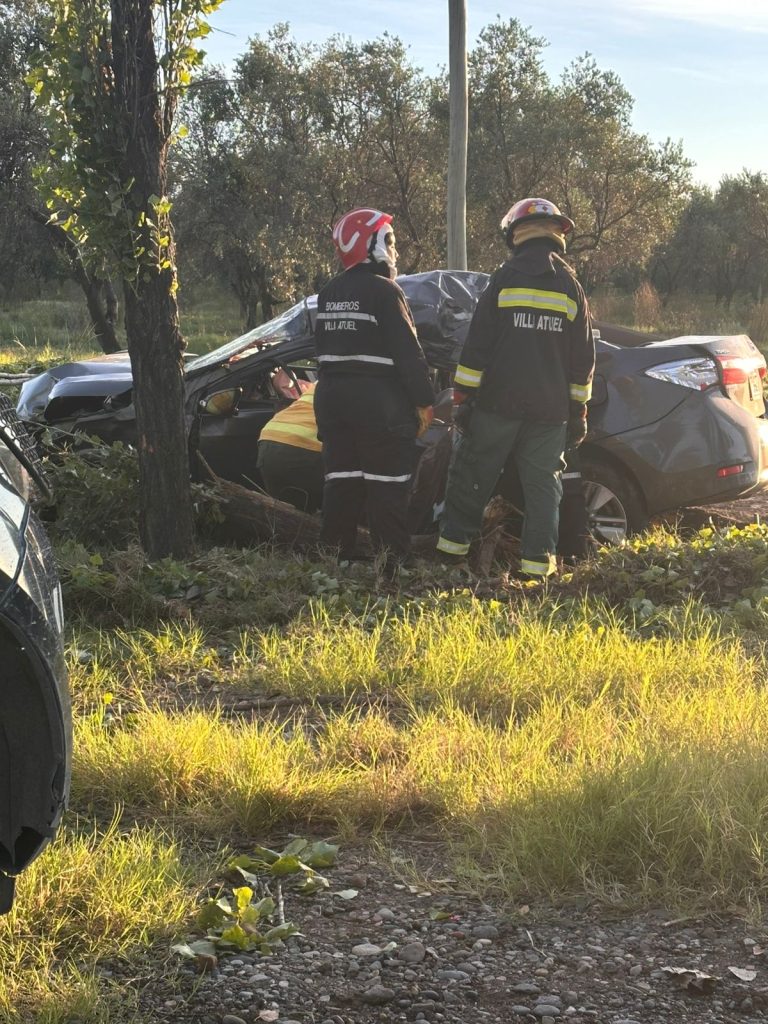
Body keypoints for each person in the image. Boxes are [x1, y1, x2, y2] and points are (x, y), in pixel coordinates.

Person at [437, 197, 595, 578]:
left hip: (498, 406)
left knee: (473, 476)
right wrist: (578, 412)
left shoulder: (503, 279)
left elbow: (477, 347)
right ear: (557, 234)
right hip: (549, 412)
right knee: (543, 488)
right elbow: (583, 360)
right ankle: (537, 569)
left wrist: (462, 398)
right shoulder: (570, 286)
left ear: (515, 233)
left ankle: (451, 555)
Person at [314, 207, 435, 565]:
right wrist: (425, 402)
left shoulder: (328, 293)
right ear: (373, 244)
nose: (394, 250)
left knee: (341, 483)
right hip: (379, 405)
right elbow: (409, 355)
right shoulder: (386, 292)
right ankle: (391, 566)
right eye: (390, 241)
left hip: (332, 402)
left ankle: (336, 563)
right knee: (387, 487)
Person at [257, 379, 324, 513]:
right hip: (304, 445)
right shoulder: (370, 385)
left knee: (286, 514)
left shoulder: (324, 380)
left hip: (270, 437)